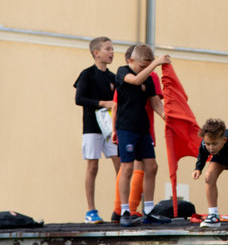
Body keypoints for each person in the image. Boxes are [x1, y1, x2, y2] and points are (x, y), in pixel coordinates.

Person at [114, 43, 170, 227]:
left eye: (148, 66)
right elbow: (136, 80)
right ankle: (124, 211)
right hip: (126, 128)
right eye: (142, 66)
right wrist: (155, 64)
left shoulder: (149, 78)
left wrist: (167, 118)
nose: (145, 71)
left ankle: (148, 210)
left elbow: (156, 104)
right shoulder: (122, 72)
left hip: (142, 129)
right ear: (131, 61)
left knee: (152, 167)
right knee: (127, 168)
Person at [73, 36, 119, 224]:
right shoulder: (87, 74)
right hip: (92, 126)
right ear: (96, 53)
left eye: (112, 49)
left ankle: (122, 207)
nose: (112, 52)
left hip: (111, 127)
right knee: (93, 167)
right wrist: (103, 103)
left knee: (121, 166)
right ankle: (91, 211)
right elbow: (79, 99)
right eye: (107, 49)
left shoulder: (113, 77)